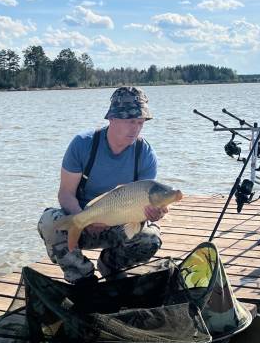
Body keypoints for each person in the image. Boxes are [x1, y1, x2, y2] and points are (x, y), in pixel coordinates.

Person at [37, 86, 166, 284]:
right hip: (84, 220)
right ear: (112, 119)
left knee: (151, 238)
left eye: (140, 122)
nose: (136, 128)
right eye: (130, 121)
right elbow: (65, 194)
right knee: (48, 222)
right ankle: (83, 277)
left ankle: (110, 264)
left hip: (119, 225)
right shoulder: (83, 144)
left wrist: (152, 214)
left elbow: (143, 206)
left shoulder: (145, 153)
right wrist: (85, 219)